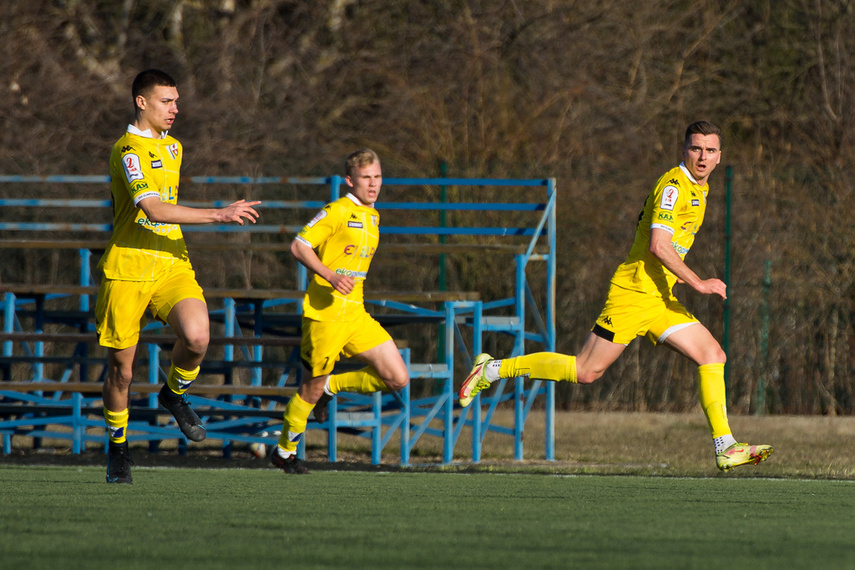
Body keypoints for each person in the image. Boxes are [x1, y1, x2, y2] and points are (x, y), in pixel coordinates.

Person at [459, 121, 773, 472]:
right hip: (633, 293)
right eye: (696, 148)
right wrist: (698, 282)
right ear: (683, 150)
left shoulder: (701, 189)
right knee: (586, 371)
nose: (702, 156)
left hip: (659, 298)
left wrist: (676, 276)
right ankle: (492, 369)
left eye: (710, 150)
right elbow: (658, 245)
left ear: (719, 157)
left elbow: (670, 247)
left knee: (712, 354)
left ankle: (725, 445)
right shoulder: (674, 186)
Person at [97, 69, 261, 484]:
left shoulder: (174, 148)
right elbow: (152, 209)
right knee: (122, 372)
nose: (175, 109)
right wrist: (218, 213)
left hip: (172, 262)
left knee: (198, 337)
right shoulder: (127, 151)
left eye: (176, 101)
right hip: (129, 269)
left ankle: (174, 394)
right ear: (141, 102)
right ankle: (118, 449)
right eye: (166, 101)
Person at [270, 148, 409, 474]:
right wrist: (330, 276)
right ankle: (285, 451)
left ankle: (330, 388)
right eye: (365, 178)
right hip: (325, 317)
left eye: (377, 177)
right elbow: (298, 246)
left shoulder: (374, 215)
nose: (373, 184)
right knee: (309, 388)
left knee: (397, 377)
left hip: (356, 315)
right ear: (350, 180)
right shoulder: (336, 211)